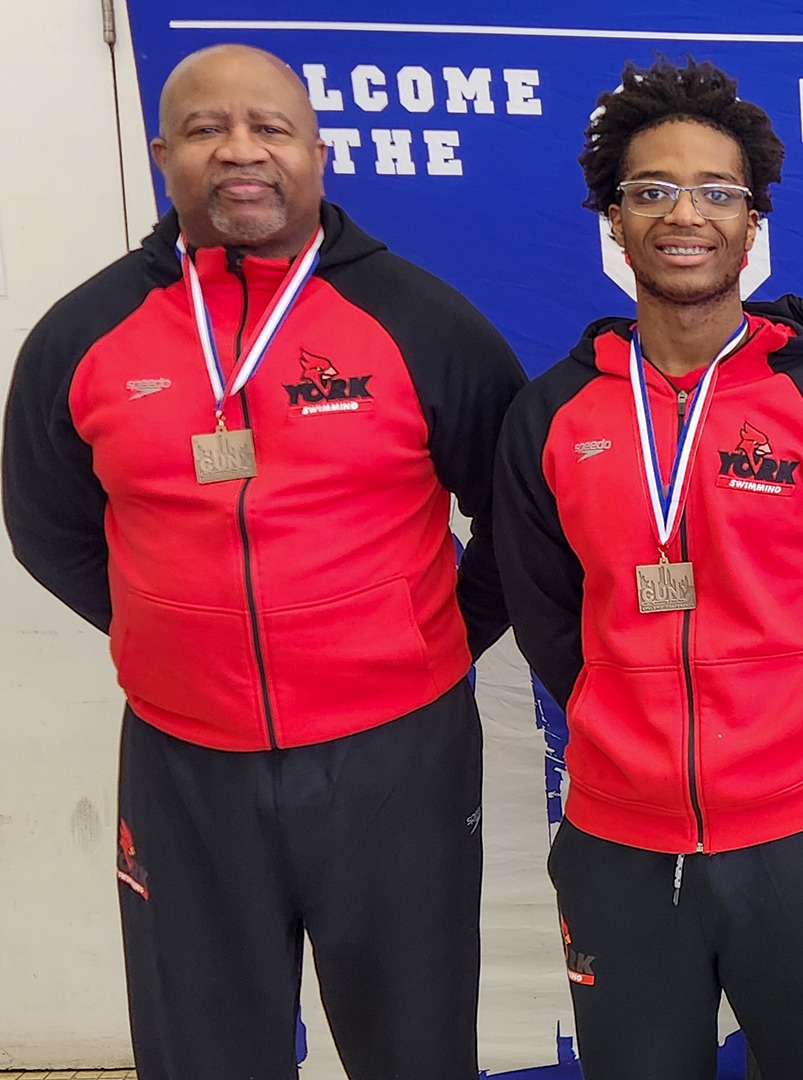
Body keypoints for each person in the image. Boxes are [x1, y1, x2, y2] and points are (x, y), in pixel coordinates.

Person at [2, 44, 525, 1079]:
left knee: (414, 1050)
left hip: (395, 756)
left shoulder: (423, 323)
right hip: (184, 763)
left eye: (270, 128)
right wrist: (176, 632)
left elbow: (518, 519)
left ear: (317, 152)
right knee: (203, 1054)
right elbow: (47, 524)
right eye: (206, 130)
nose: (240, 152)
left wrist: (428, 636)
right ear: (164, 155)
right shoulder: (85, 335)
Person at [492, 56, 803, 1080]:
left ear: (752, 220)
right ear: (612, 217)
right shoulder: (552, 416)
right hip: (617, 841)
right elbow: (551, 619)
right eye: (652, 189)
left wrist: (793, 738)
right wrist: (626, 711)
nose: (685, 214)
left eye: (715, 191)